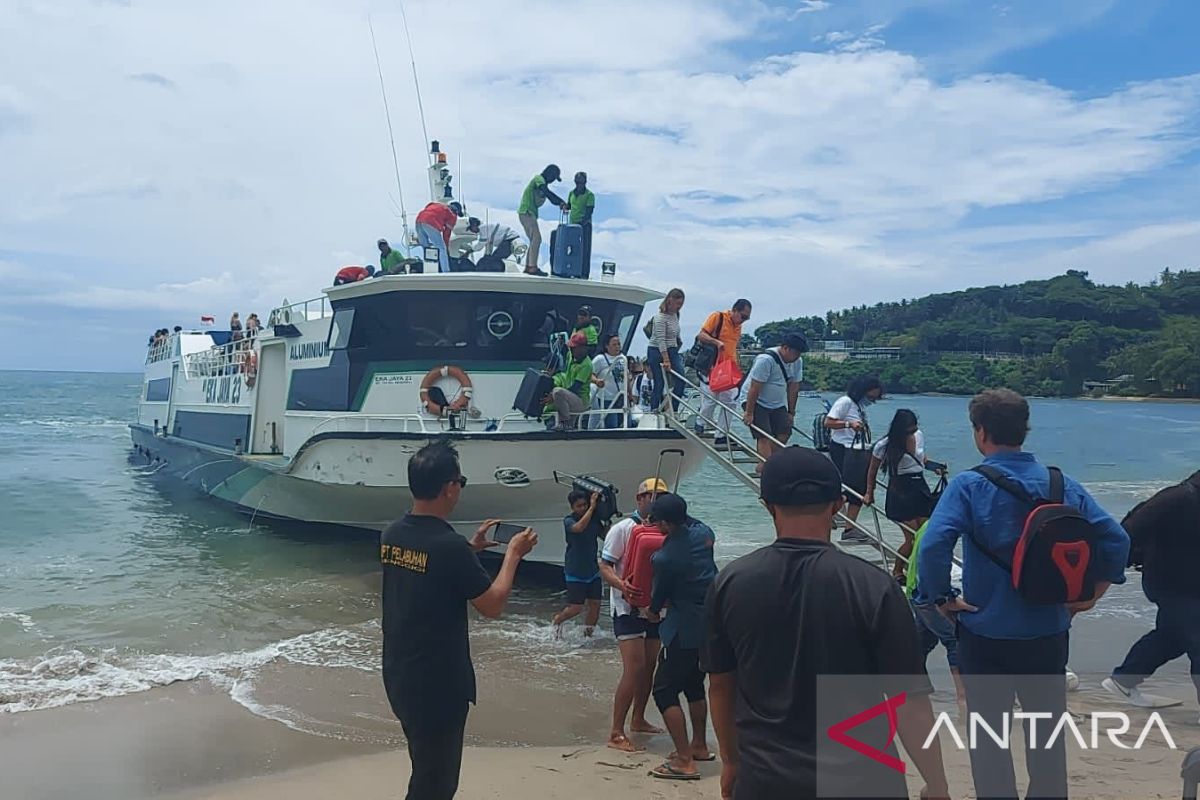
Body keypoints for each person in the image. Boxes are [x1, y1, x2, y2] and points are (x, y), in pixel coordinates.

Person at [702, 447, 949, 799]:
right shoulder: (874, 587)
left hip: (767, 780)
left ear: (766, 504)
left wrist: (731, 761)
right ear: (836, 504)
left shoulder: (730, 583)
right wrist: (937, 785)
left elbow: (721, 686)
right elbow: (909, 702)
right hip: (865, 781)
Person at [918, 388, 1130, 800]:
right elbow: (1117, 539)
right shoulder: (1059, 482)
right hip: (1048, 631)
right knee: (1046, 742)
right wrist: (1091, 595)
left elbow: (933, 545)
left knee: (989, 743)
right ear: (1025, 430)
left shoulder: (968, 486)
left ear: (980, 433)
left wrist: (940, 599)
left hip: (984, 633)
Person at [380, 440, 538, 800]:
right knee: (435, 785)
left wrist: (471, 549)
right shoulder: (447, 546)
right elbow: (493, 605)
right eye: (460, 482)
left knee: (425, 766)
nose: (460, 489)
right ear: (449, 487)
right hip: (439, 684)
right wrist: (513, 555)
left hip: (400, 673)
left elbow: (428, 563)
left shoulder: (392, 534)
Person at [1103, 469, 1200, 712]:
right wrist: (1106, 572)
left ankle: (1124, 681)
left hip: (1190, 585)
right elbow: (1125, 533)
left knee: (1173, 636)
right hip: (1170, 584)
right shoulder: (1176, 498)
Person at [646, 493, 717, 782]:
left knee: (663, 690)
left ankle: (685, 761)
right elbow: (694, 527)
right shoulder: (704, 534)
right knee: (694, 685)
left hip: (683, 626)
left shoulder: (665, 558)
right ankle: (699, 746)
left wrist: (651, 614)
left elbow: (659, 596)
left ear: (665, 522)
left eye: (655, 520)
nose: (652, 525)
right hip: (710, 622)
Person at [599, 477, 670, 752]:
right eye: (651, 496)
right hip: (626, 606)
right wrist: (621, 585)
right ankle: (616, 732)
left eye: (661, 496)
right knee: (635, 667)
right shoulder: (623, 529)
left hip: (653, 607)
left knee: (650, 665)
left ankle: (638, 719)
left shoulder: (665, 529)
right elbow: (605, 565)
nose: (655, 501)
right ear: (639, 499)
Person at [863, 408, 942, 579]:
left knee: (925, 535)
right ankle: (898, 570)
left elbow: (921, 458)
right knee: (912, 537)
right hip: (900, 489)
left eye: (914, 429)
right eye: (909, 430)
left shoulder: (918, 436)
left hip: (919, 486)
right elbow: (872, 471)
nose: (913, 433)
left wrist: (935, 467)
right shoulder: (884, 445)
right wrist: (870, 492)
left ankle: (918, 570)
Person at [905, 521, 967, 711]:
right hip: (926, 595)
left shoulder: (928, 527)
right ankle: (962, 697)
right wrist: (945, 598)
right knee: (954, 640)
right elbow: (930, 563)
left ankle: (910, 690)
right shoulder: (938, 528)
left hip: (915, 591)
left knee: (920, 644)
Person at [825, 375, 884, 544]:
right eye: (871, 397)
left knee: (856, 488)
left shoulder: (857, 406)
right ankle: (838, 520)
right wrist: (848, 425)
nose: (872, 401)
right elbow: (828, 422)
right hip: (842, 449)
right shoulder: (845, 402)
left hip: (856, 450)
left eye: (874, 398)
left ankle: (848, 526)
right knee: (849, 488)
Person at [739, 332, 805, 472]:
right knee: (764, 435)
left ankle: (766, 464)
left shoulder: (797, 362)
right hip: (755, 400)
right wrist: (749, 412)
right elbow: (755, 387)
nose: (797, 357)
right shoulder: (766, 360)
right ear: (785, 348)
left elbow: (794, 388)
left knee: (785, 432)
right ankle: (769, 469)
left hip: (777, 402)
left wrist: (791, 412)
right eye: (796, 353)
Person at [695, 299, 751, 446]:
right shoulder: (718, 317)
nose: (743, 321)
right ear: (735, 310)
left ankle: (721, 435)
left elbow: (732, 348)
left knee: (730, 401)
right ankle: (700, 422)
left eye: (747, 318)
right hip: (711, 366)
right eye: (743, 316)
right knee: (710, 399)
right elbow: (701, 335)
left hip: (727, 369)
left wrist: (737, 369)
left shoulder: (738, 327)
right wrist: (716, 342)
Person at [551, 490, 605, 638]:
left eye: (585, 505)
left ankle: (588, 635)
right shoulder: (569, 520)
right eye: (579, 506)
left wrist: (605, 520)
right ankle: (558, 620)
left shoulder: (594, 520)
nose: (583, 508)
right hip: (575, 570)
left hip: (592, 569)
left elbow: (606, 535)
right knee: (576, 608)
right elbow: (578, 528)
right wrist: (592, 508)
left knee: (595, 605)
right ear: (572, 507)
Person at [517, 165, 567, 276]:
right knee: (537, 239)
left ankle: (528, 267)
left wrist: (560, 202)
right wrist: (560, 202)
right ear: (549, 174)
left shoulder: (542, 183)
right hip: (527, 212)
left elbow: (549, 196)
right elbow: (547, 193)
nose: (553, 180)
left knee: (534, 240)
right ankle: (533, 268)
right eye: (554, 178)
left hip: (527, 213)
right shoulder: (538, 179)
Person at [542, 332, 593, 430]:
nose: (571, 349)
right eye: (571, 347)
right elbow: (565, 350)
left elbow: (575, 388)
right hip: (571, 398)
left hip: (581, 402)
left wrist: (553, 397)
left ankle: (565, 422)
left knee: (557, 391)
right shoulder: (571, 355)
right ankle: (569, 424)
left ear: (583, 348)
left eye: (574, 348)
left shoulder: (586, 365)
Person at [647, 288, 685, 413]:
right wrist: (666, 359)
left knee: (681, 378)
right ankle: (654, 409)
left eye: (681, 304)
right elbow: (660, 339)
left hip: (673, 349)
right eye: (678, 304)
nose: (679, 307)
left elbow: (674, 335)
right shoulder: (659, 318)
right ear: (670, 301)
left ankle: (673, 409)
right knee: (659, 382)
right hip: (657, 350)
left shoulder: (675, 316)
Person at [590, 333, 627, 429]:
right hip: (607, 398)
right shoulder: (600, 359)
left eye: (618, 344)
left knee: (628, 422)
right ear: (607, 346)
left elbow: (625, 377)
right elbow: (590, 373)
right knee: (612, 425)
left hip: (622, 397)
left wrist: (629, 394)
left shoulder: (623, 358)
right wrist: (597, 381)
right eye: (614, 344)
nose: (617, 347)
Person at [415, 201, 463, 274]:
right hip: (430, 222)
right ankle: (446, 271)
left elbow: (427, 209)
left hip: (419, 220)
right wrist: (446, 247)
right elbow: (446, 234)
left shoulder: (435, 204)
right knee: (441, 248)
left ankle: (429, 270)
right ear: (457, 211)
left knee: (426, 248)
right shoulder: (453, 215)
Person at [567, 171, 596, 278]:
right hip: (572, 226)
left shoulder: (589, 195)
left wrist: (582, 224)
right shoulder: (571, 193)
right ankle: (571, 271)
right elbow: (569, 206)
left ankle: (584, 274)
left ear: (585, 182)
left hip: (584, 226)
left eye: (581, 182)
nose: (579, 184)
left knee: (584, 250)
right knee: (572, 249)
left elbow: (589, 212)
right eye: (577, 181)